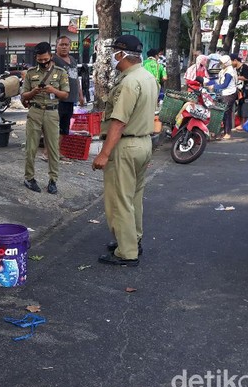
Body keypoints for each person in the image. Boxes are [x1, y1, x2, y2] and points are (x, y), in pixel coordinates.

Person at [92, 35, 158, 267]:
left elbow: (118, 121)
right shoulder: (147, 76)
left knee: (119, 200)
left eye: (114, 53)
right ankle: (132, 239)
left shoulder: (129, 82)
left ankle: (127, 252)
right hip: (144, 143)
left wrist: (104, 153)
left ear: (122, 54)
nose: (111, 57)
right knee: (134, 197)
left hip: (126, 145)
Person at [21, 42, 69, 194]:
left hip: (51, 112)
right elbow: (24, 95)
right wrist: (34, 92)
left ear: (51, 55)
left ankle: (53, 180)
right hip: (35, 111)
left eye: (45, 59)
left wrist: (53, 89)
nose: (43, 62)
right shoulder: (30, 73)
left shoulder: (61, 72)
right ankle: (29, 178)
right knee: (31, 147)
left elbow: (65, 95)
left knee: (53, 148)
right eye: (40, 60)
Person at [41, 36, 84, 162]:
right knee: (53, 127)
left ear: (70, 46)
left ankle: (56, 152)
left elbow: (76, 79)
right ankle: (46, 153)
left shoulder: (73, 60)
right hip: (57, 99)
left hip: (71, 99)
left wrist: (81, 95)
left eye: (66, 45)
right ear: (56, 46)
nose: (64, 47)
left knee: (64, 129)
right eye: (61, 45)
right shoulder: (53, 60)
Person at [207, 55, 238, 139]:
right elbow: (218, 80)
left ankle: (228, 132)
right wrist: (208, 82)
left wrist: (214, 87)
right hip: (224, 93)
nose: (221, 64)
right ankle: (224, 131)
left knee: (227, 113)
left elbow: (225, 84)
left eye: (222, 63)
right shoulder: (224, 70)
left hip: (229, 93)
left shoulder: (229, 71)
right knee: (223, 113)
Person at [231, 54, 248, 131]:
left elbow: (247, 77)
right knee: (240, 107)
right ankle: (241, 124)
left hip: (247, 91)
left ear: (235, 60)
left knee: (245, 107)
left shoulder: (245, 67)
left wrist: (235, 77)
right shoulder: (234, 68)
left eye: (231, 61)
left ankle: (244, 124)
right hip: (239, 90)